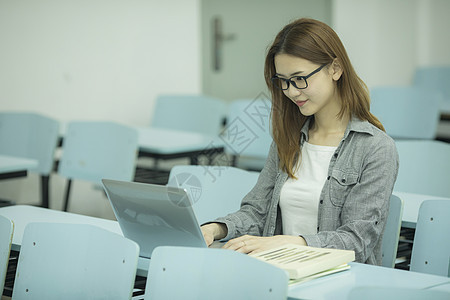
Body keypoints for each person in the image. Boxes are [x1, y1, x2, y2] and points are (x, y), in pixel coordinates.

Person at [201, 18, 399, 265]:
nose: (292, 91)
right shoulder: (289, 138)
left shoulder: (376, 148)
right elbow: (257, 211)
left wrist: (288, 242)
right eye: (283, 81)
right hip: (282, 272)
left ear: (335, 69)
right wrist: (214, 229)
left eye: (300, 78)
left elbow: (356, 241)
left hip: (343, 278)